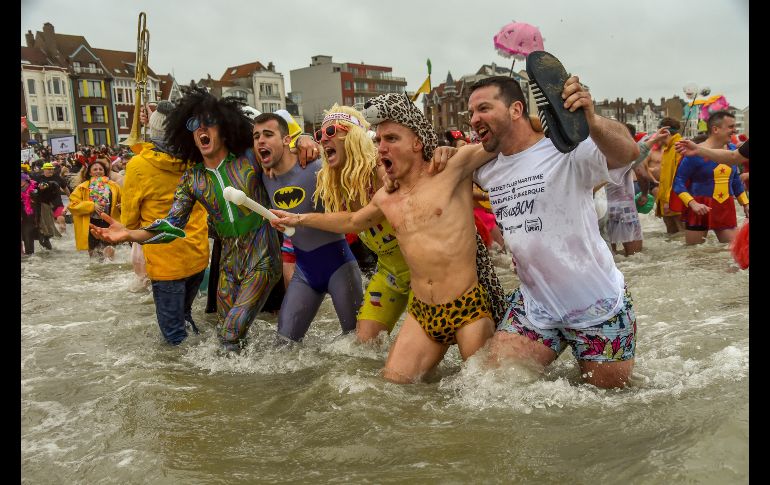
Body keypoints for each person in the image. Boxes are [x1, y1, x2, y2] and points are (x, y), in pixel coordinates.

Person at [272, 93, 497, 383]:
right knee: (384, 376)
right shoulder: (379, 194)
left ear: (417, 142)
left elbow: (505, 138)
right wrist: (297, 218)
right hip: (416, 304)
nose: (381, 147)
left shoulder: (444, 168)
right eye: (379, 140)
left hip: (463, 303)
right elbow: (352, 221)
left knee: (483, 388)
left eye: (391, 139)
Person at [440, 74, 640, 389]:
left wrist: (591, 120)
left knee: (609, 402)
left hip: (598, 306)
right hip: (536, 306)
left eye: (484, 108)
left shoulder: (565, 149)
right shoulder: (487, 167)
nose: (474, 119)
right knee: (489, 388)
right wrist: (444, 154)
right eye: (471, 112)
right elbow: (450, 166)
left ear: (516, 109)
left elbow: (628, 152)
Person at [90, 86, 283, 352]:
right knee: (226, 337)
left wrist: (304, 140)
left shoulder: (249, 157)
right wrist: (130, 234)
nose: (201, 128)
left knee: (230, 333)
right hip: (229, 261)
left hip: (263, 255)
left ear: (223, 128)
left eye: (208, 122)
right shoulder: (193, 178)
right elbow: (172, 226)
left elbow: (282, 145)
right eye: (194, 124)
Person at [303, 103, 507, 344]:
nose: (323, 139)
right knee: (364, 343)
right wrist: (301, 139)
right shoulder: (335, 180)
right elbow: (352, 220)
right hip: (388, 273)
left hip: (422, 275)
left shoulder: (384, 170)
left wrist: (449, 155)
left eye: (331, 131)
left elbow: (430, 184)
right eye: (319, 134)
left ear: (354, 137)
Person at [253, 112, 363, 342]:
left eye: (268, 134)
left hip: (339, 266)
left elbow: (353, 160)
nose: (261, 140)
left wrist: (306, 138)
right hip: (304, 272)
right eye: (256, 137)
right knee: (283, 344)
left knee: (358, 343)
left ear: (286, 140)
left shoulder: (317, 166)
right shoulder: (263, 174)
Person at [120, 100, 210, 345]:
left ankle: (187, 370)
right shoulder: (196, 159)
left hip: (165, 261)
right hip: (198, 255)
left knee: (173, 337)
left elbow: (129, 220)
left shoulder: (138, 165)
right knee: (186, 317)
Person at [670, 110, 748, 245]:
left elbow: (735, 180)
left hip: (725, 207)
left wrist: (746, 204)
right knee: (694, 254)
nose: (735, 130)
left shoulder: (733, 151)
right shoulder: (693, 152)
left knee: (732, 250)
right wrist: (692, 203)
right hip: (699, 208)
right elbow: (678, 182)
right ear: (715, 129)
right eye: (731, 127)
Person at [68, 158, 122, 260]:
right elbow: (72, 205)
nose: (98, 171)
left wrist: (122, 205)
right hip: (90, 224)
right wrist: (92, 206)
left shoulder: (114, 186)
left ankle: (111, 268)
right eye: (95, 169)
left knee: (110, 251)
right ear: (90, 172)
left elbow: (124, 200)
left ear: (105, 172)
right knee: (94, 256)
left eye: (101, 169)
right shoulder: (82, 187)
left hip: (109, 223)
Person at [653, 118, 684, 234]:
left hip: (675, 200)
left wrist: (668, 200)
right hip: (666, 201)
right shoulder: (668, 148)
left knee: (682, 234)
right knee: (672, 236)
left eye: (658, 131)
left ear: (664, 132)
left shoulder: (679, 147)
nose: (656, 135)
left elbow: (679, 177)